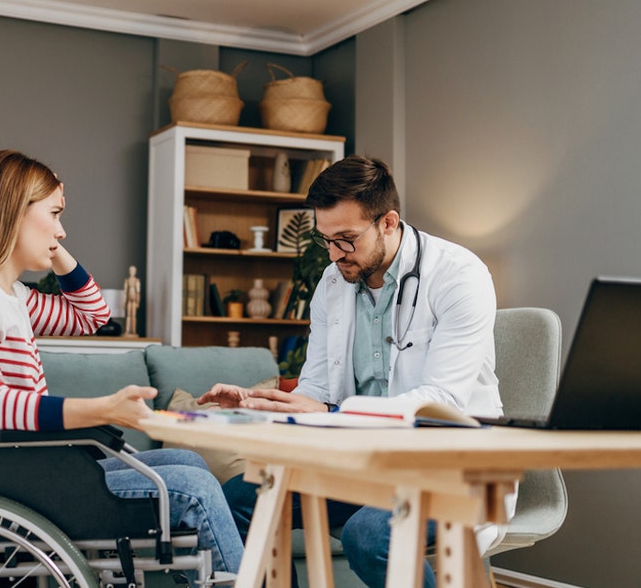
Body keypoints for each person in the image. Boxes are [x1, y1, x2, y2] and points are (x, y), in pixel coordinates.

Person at [0, 149, 243, 577]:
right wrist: (102, 409)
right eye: (54, 214)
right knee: (196, 488)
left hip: (27, 469)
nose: (62, 229)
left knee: (189, 463)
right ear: (12, 211)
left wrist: (52, 245)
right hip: (10, 479)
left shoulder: (8, 295)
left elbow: (91, 316)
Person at [199, 154, 504, 587]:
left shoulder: (459, 277)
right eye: (326, 239)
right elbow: (318, 388)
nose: (334, 253)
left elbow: (444, 403)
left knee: (369, 536)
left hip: (449, 462)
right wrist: (267, 405)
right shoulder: (333, 282)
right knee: (237, 500)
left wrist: (336, 416)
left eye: (346, 238)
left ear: (388, 222)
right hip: (361, 463)